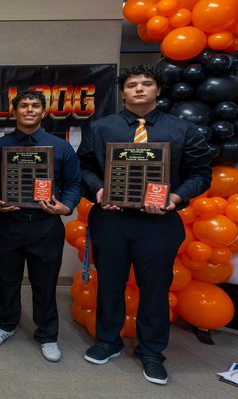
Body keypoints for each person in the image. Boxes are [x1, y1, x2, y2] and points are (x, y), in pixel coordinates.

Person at [77, 64, 211, 385]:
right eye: (132, 84)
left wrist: (175, 198)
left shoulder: (182, 130)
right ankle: (108, 341)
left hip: (159, 222)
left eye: (146, 84)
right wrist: (97, 190)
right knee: (109, 282)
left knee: (154, 288)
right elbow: (83, 167)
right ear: (123, 92)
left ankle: (152, 351)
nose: (139, 89)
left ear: (157, 91)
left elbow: (200, 175)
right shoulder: (101, 129)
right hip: (111, 219)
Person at [0, 90, 81, 362]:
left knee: (45, 282)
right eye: (23, 105)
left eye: (35, 105)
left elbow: (74, 184)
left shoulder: (60, 147)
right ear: (14, 112)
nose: (29, 110)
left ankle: (48, 334)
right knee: (7, 280)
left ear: (44, 112)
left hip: (46, 226)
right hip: (8, 225)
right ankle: (5, 324)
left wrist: (66, 206)